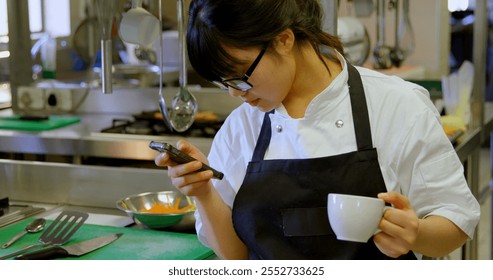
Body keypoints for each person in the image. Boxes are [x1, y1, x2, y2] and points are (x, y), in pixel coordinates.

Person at [155, 0, 480, 260]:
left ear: (283, 39)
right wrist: (202, 193)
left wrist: (417, 234)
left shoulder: (395, 104)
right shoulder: (241, 128)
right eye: (223, 82)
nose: (235, 93)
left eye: (239, 76)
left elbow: (456, 221)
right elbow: (236, 259)